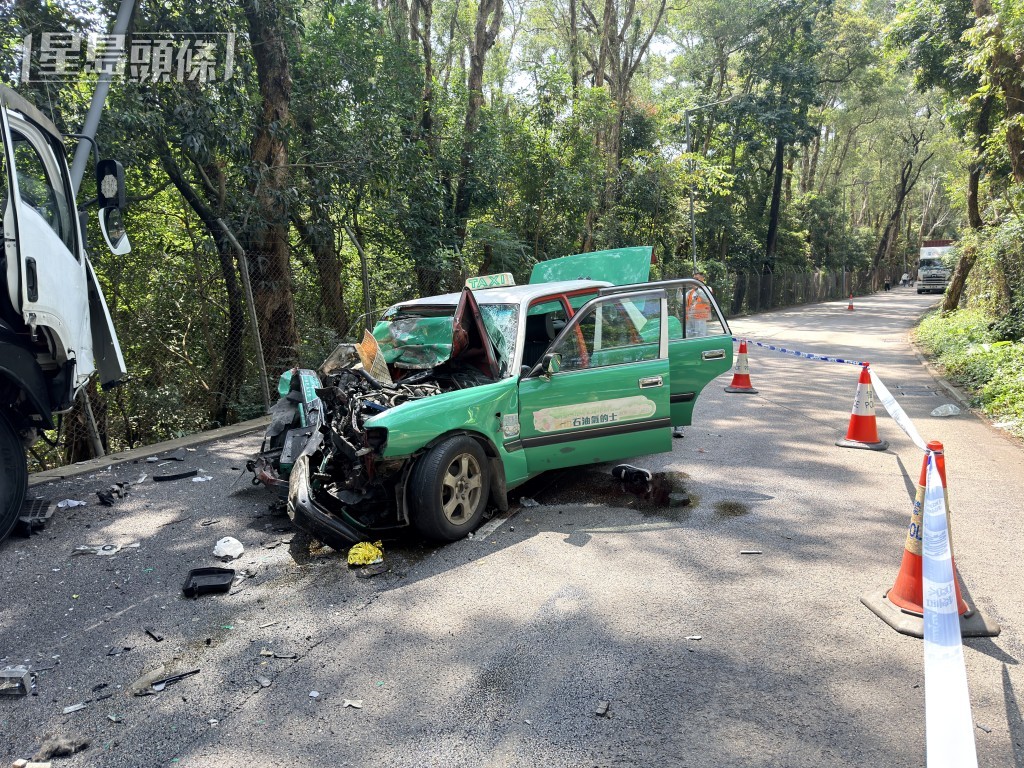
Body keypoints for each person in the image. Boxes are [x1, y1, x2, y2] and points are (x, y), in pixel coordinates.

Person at [686, 272, 712, 338]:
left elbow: (706, 299)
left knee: (700, 336)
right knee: (690, 336)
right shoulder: (690, 291)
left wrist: (697, 289)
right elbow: (681, 300)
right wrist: (679, 291)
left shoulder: (707, 289)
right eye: (694, 279)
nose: (695, 280)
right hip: (690, 317)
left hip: (701, 317)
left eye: (697, 278)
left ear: (702, 279)